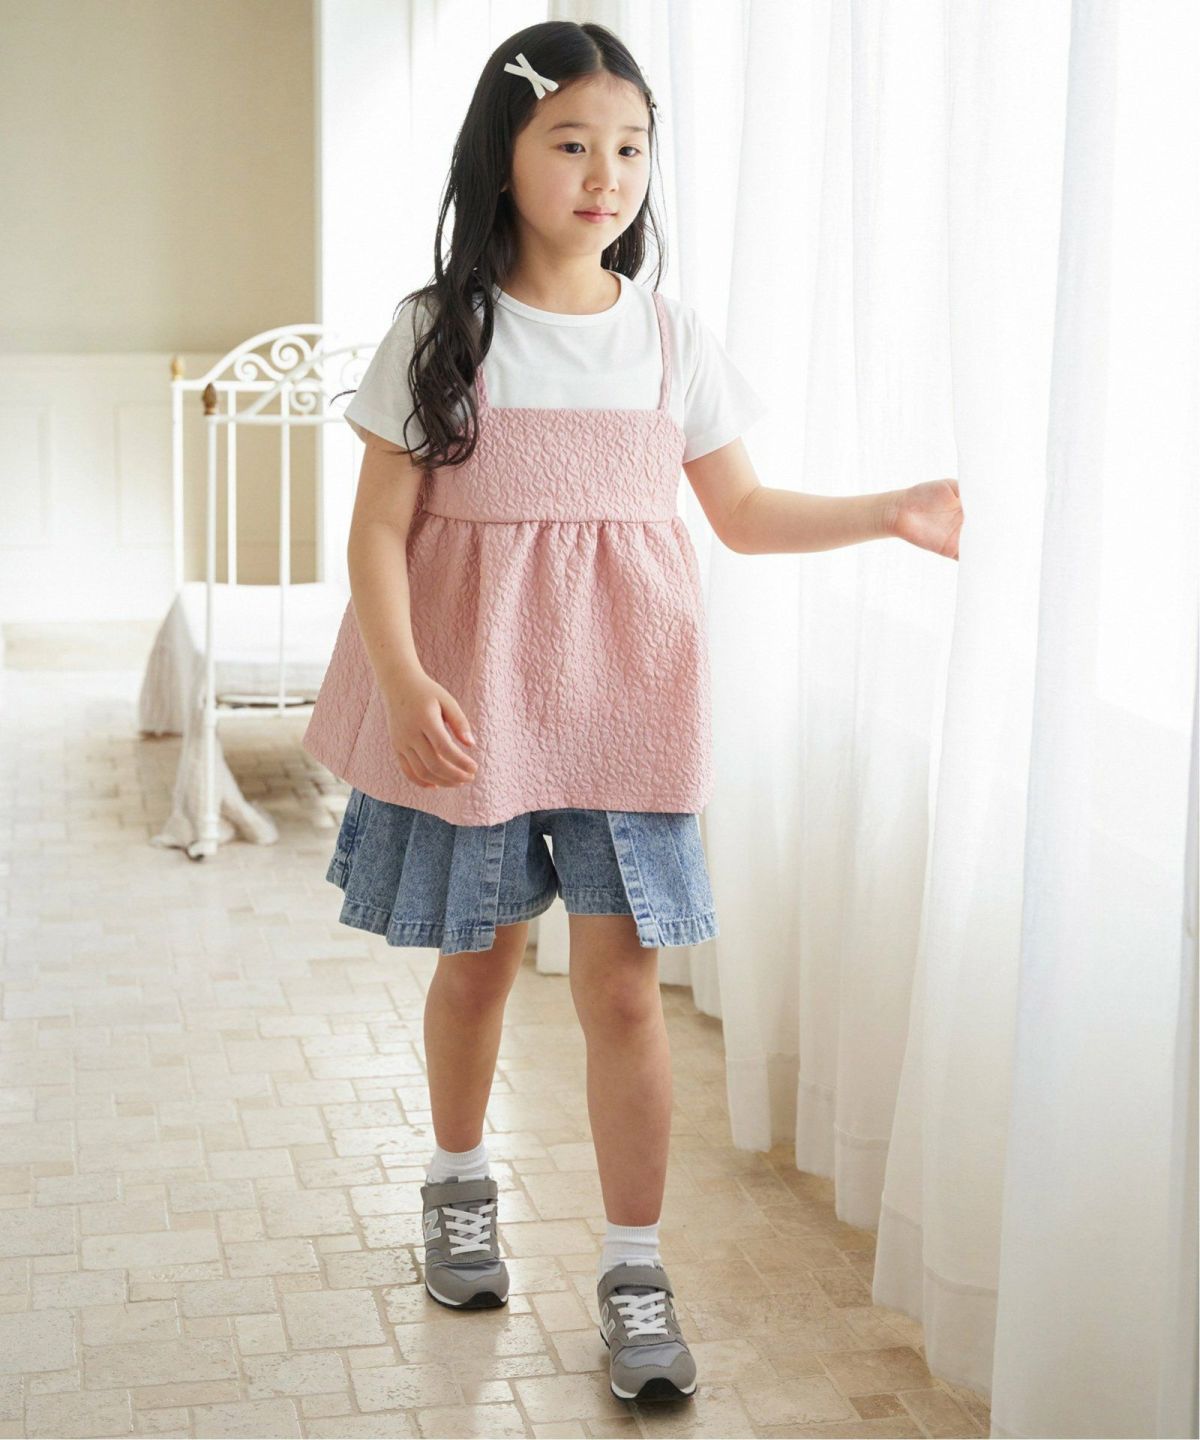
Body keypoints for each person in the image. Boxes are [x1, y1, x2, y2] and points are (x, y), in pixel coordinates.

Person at [303, 20, 963, 1406]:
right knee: (478, 963)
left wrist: (887, 512)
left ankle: (633, 1270)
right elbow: (376, 531)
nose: (607, 174)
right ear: (502, 155)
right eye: (572, 143)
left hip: (627, 707)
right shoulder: (441, 332)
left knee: (621, 991)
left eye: (632, 147)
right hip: (475, 703)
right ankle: (458, 1183)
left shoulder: (670, 337)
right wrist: (406, 676)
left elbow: (742, 512)